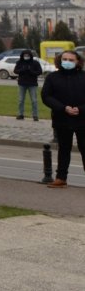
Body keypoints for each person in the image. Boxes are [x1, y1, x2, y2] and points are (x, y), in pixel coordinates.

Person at [41, 49, 85, 188]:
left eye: (71, 60)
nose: (67, 62)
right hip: (62, 118)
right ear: (60, 60)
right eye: (65, 59)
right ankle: (61, 178)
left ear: (78, 62)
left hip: (82, 119)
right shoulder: (52, 77)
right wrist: (63, 108)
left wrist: (80, 109)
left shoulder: (83, 76)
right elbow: (46, 96)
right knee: (64, 149)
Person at [14, 49, 43, 121]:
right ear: (22, 56)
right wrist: (22, 70)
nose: (26, 56)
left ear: (30, 56)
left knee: (34, 100)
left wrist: (31, 71)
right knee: (21, 100)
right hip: (22, 83)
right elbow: (15, 71)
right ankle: (20, 114)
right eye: (25, 55)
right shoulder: (19, 62)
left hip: (32, 84)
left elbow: (40, 71)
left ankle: (35, 115)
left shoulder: (35, 63)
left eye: (28, 55)